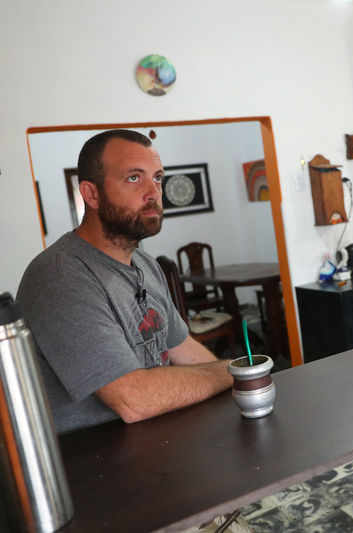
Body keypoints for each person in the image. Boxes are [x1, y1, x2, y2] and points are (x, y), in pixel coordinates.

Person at [16, 129, 235, 435]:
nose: (153, 192)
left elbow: (180, 346)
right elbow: (133, 400)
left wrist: (239, 388)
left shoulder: (144, 262)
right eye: (134, 178)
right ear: (91, 195)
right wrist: (232, 371)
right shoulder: (60, 276)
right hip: (95, 466)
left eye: (157, 178)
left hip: (159, 442)